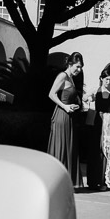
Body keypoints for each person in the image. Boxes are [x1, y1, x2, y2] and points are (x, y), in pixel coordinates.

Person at [48, 52, 84, 186]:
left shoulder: (71, 78)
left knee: (68, 147)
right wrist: (65, 106)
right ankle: (56, 180)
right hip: (62, 117)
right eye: (77, 66)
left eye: (81, 67)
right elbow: (51, 94)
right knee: (62, 147)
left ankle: (64, 181)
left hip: (69, 117)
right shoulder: (63, 76)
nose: (79, 70)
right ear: (70, 64)